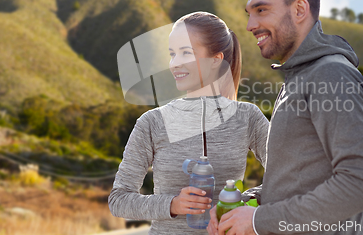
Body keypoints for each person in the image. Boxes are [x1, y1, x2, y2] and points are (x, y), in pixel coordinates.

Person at [207, 0, 363, 235]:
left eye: (262, 10)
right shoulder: (300, 79)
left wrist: (258, 221)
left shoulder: (330, 74)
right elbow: (298, 180)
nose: (250, 25)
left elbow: (362, 182)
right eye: (249, 14)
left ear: (299, 10)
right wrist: (244, 202)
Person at [108, 12, 269, 235]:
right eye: (172, 54)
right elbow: (119, 199)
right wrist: (172, 204)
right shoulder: (152, 122)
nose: (175, 63)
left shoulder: (247, 117)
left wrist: (244, 199)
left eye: (186, 53)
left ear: (215, 59)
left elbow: (289, 176)